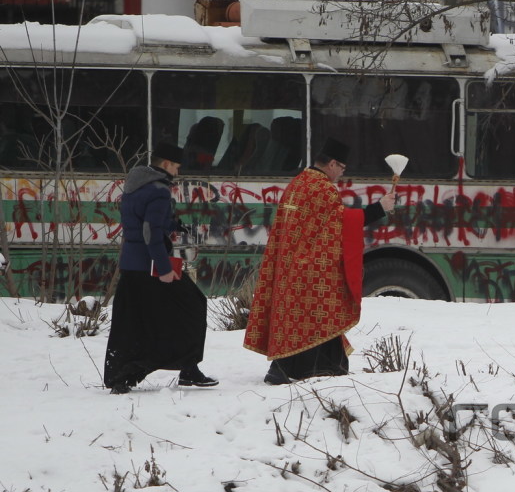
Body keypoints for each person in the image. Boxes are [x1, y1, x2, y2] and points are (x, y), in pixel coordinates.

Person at [244, 137, 394, 384]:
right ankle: (312, 367)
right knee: (323, 315)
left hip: (290, 265)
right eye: (342, 169)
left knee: (298, 319)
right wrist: (380, 208)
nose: (341, 175)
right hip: (312, 269)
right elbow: (342, 224)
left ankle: (299, 366)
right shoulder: (322, 188)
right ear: (333, 163)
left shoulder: (299, 182)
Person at [104, 142, 217, 394]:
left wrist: (173, 224)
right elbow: (150, 232)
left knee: (136, 320)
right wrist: (164, 267)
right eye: (176, 166)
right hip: (151, 267)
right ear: (166, 164)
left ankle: (122, 375)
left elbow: (141, 222)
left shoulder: (135, 186)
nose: (177, 172)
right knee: (194, 306)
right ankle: (188, 368)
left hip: (131, 266)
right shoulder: (159, 191)